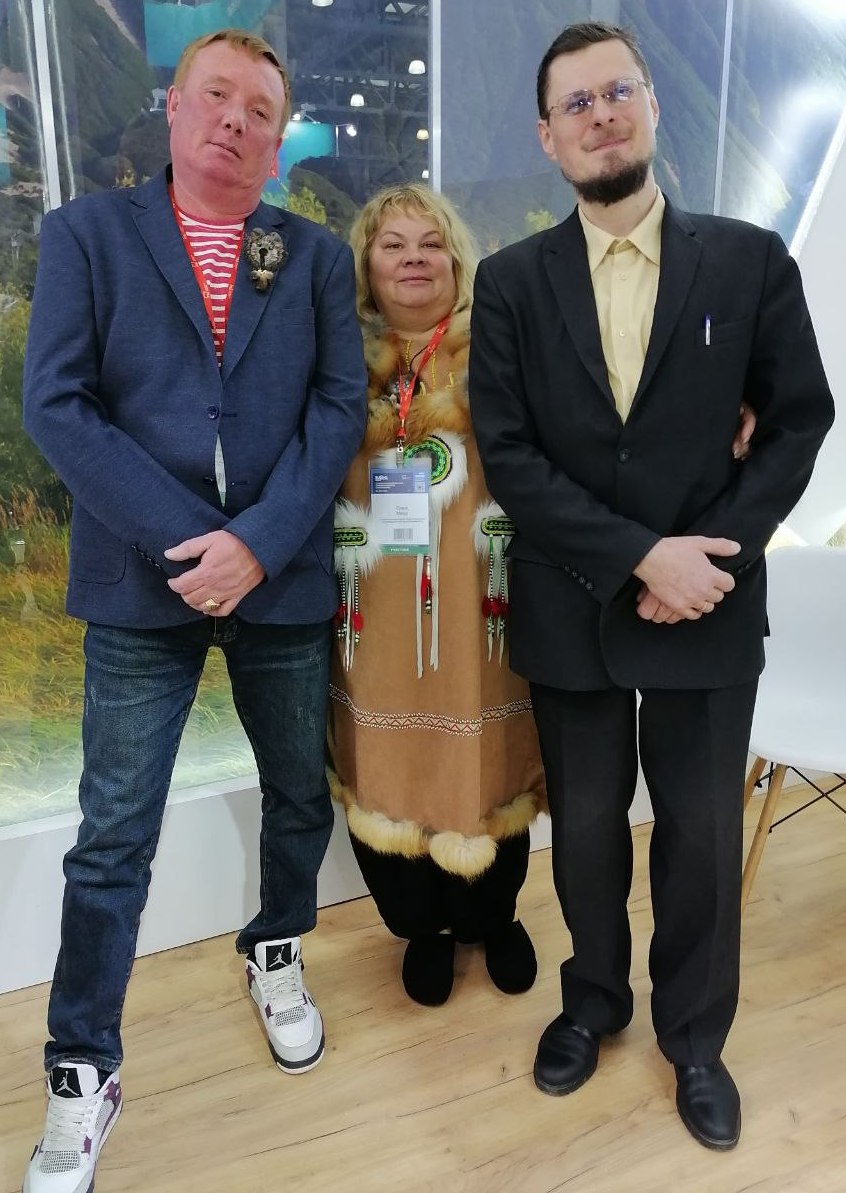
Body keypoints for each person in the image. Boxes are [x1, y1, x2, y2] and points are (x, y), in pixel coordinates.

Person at [469, 21, 833, 1151]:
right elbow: (509, 452)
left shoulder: (750, 261)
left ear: (651, 106)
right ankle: (593, 1000)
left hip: (709, 600)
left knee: (702, 834)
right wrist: (641, 555)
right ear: (547, 136)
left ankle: (696, 1036)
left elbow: (798, 420)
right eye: (575, 104)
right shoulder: (510, 283)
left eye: (617, 91)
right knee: (584, 828)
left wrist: (710, 557)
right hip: (572, 598)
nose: (601, 115)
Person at [21, 27, 366, 1192]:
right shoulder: (87, 235)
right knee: (114, 829)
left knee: (300, 789)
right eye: (216, 96)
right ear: (173, 109)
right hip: (141, 581)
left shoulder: (308, 256)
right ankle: (84, 1064)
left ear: (277, 141)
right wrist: (194, 546)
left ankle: (276, 945)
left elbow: (335, 409)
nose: (235, 120)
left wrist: (256, 546)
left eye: (260, 109)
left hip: (282, 576)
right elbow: (59, 407)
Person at [327, 184, 546, 1007]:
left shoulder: (506, 351)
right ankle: (421, 928)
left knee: (489, 756)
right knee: (384, 763)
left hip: (483, 607)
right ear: (367, 265)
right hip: (373, 610)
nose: (414, 258)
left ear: (457, 260)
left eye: (431, 243)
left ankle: (493, 917)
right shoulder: (333, 361)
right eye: (393, 245)